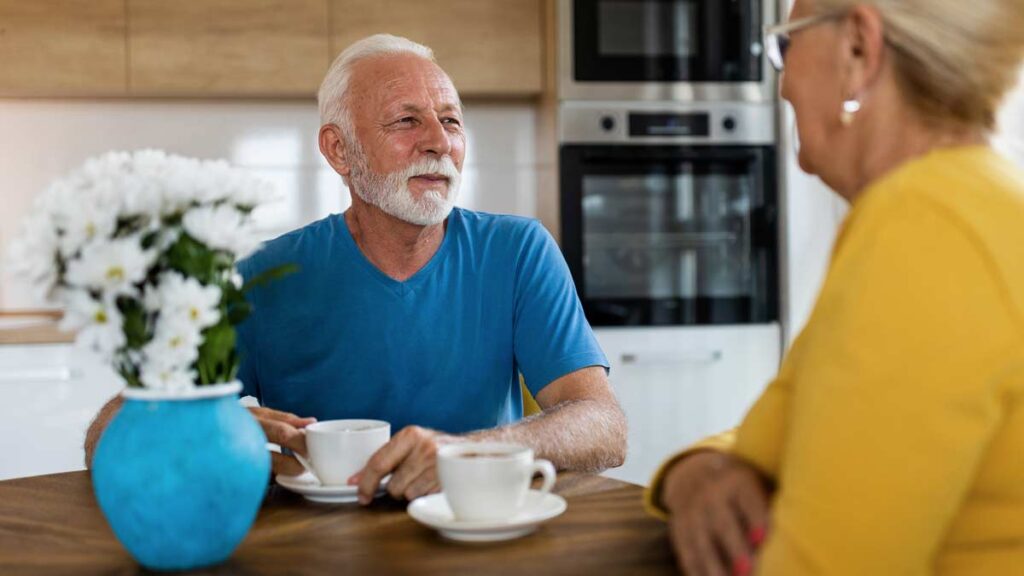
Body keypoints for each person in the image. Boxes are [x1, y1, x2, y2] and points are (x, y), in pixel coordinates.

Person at [85, 34, 626, 504]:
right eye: (407, 121)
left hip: (474, 533)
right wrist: (202, 427)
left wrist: (469, 451)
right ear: (338, 150)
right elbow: (107, 434)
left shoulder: (518, 251)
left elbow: (604, 427)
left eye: (451, 121)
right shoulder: (267, 278)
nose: (440, 142)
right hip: (312, 547)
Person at [645, 1, 1024, 574]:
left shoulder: (926, 223)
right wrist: (696, 471)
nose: (784, 81)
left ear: (857, 50)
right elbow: (813, 423)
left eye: (787, 45)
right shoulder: (962, 201)